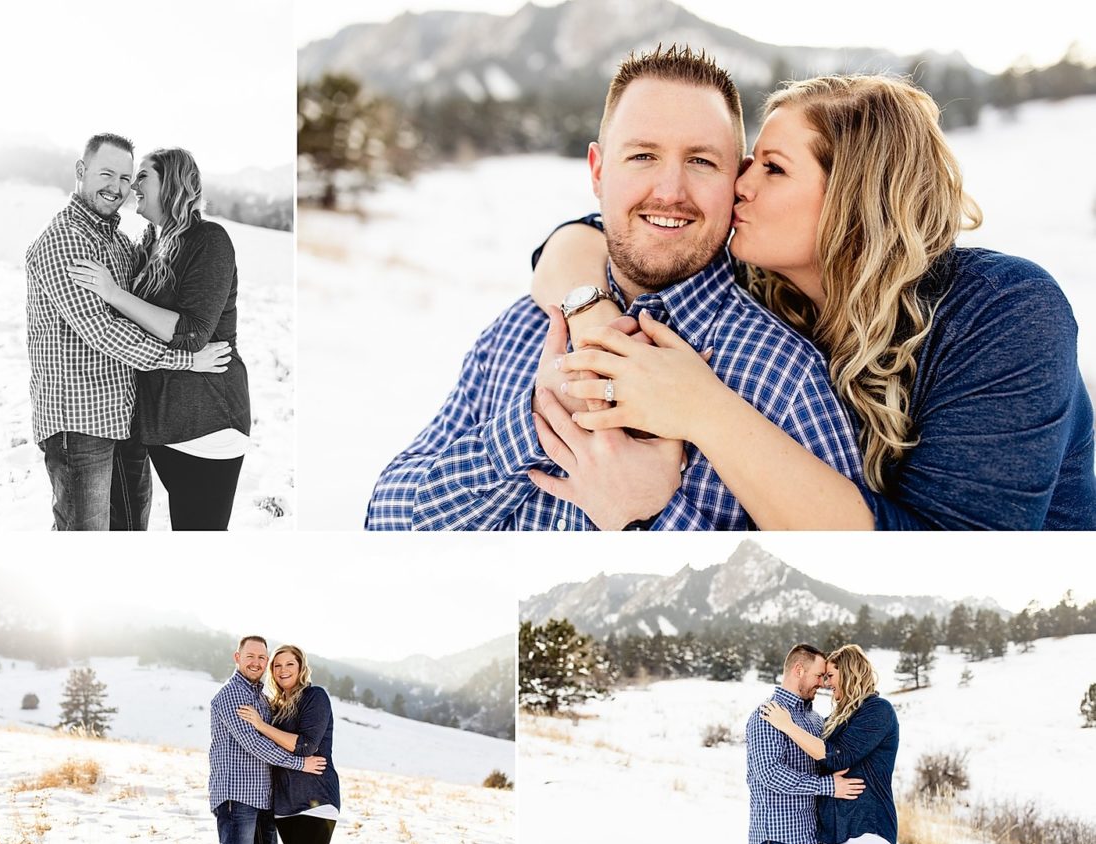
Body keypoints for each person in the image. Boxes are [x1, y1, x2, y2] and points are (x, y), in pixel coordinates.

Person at [535, 74, 1096, 532]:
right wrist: (593, 315)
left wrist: (699, 408)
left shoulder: (1006, 313)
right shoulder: (766, 282)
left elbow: (948, 559)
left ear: (856, 197)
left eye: (773, 168)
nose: (740, 185)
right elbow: (579, 240)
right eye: (748, 162)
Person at [364, 46, 864, 532]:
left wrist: (651, 519)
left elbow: (826, 589)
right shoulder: (521, 328)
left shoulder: (783, 376)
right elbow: (385, 521)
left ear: (736, 179)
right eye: (643, 155)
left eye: (701, 162)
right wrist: (533, 423)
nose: (669, 191)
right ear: (598, 172)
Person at [25, 132, 231, 532]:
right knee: (85, 538)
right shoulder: (64, 242)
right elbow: (102, 331)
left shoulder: (121, 243)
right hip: (80, 421)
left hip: (126, 419)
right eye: (107, 174)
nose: (118, 188)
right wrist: (186, 360)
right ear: (81, 172)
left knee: (133, 533)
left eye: (126, 178)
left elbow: (158, 300)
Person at [67, 146, 252, 531]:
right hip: (160, 422)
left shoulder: (209, 240)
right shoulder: (152, 242)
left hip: (207, 421)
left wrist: (114, 293)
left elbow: (193, 332)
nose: (133, 185)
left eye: (143, 176)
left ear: (170, 184)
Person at [760, 643, 899, 844]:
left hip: (865, 831)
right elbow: (819, 762)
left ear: (848, 674)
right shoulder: (838, 717)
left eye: (831, 676)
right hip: (837, 834)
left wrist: (787, 726)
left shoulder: (877, 710)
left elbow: (837, 757)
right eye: (823, 676)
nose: (825, 684)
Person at [208, 636, 326, 844]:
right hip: (237, 797)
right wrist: (300, 763)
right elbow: (256, 744)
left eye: (262, 657)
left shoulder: (260, 697)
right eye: (251, 656)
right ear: (237, 657)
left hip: (263, 799)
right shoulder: (232, 695)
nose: (256, 662)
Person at [745, 641, 864, 844]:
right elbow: (769, 774)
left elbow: (826, 760)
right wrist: (828, 786)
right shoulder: (766, 716)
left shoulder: (814, 719)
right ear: (799, 670)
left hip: (812, 837)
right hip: (779, 839)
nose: (822, 684)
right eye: (818, 676)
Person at [234, 646, 340, 844]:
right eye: (277, 666)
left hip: (317, 800)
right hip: (284, 805)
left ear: (301, 667)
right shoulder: (276, 706)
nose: (283, 670)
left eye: (289, 664)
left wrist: (261, 725)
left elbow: (306, 746)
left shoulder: (314, 697)